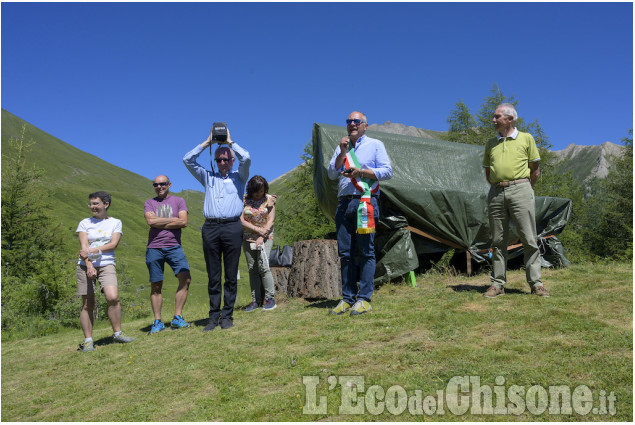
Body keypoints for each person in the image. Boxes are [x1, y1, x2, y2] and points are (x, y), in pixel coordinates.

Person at [183, 128, 250, 331]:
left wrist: (230, 143)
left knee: (230, 274)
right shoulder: (207, 177)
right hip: (211, 227)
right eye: (219, 160)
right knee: (213, 274)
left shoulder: (240, 177)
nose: (222, 163)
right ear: (215, 161)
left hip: (232, 226)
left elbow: (246, 157)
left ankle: (227, 315)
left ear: (232, 161)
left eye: (226, 159)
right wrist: (206, 143)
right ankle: (213, 317)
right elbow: (187, 160)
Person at [327, 111, 393, 316]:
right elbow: (331, 173)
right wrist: (341, 152)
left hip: (365, 202)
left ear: (365, 125)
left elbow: (388, 171)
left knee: (366, 251)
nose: (352, 124)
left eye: (356, 121)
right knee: (345, 254)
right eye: (349, 121)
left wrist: (362, 172)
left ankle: (364, 298)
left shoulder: (375, 145)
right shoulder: (342, 147)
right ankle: (347, 298)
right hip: (344, 204)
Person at [482, 103, 549, 298]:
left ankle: (536, 284)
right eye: (494, 117)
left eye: (497, 117)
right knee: (498, 240)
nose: (493, 120)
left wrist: (525, 188)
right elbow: (488, 172)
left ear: (510, 119)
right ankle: (497, 284)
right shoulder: (490, 143)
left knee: (528, 237)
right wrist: (498, 186)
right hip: (496, 192)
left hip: (521, 189)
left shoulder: (526, 138)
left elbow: (534, 169)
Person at [76, 191, 135, 352]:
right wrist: (89, 265)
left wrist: (92, 250)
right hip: (85, 265)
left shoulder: (115, 222)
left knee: (113, 297)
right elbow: (83, 250)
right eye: (91, 204)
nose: (92, 207)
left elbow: (113, 245)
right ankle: (88, 340)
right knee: (88, 303)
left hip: (107, 264)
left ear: (106, 204)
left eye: (96, 203)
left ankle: (118, 333)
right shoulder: (84, 223)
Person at [144, 175, 192, 334]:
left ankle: (177, 317)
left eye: (162, 184)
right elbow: (150, 222)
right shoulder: (149, 202)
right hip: (154, 247)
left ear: (169, 184)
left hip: (174, 246)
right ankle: (157, 321)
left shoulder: (179, 201)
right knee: (156, 284)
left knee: (185, 278)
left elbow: (183, 222)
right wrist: (173, 219)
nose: (159, 187)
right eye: (156, 184)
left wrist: (160, 220)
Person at [240, 175, 277, 312]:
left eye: (261, 191)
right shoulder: (243, 200)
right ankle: (255, 300)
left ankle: (270, 298)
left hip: (266, 236)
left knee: (263, 265)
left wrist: (262, 235)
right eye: (256, 191)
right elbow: (241, 220)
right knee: (252, 268)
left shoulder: (269, 199)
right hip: (248, 237)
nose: (259, 194)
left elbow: (271, 220)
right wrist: (256, 231)